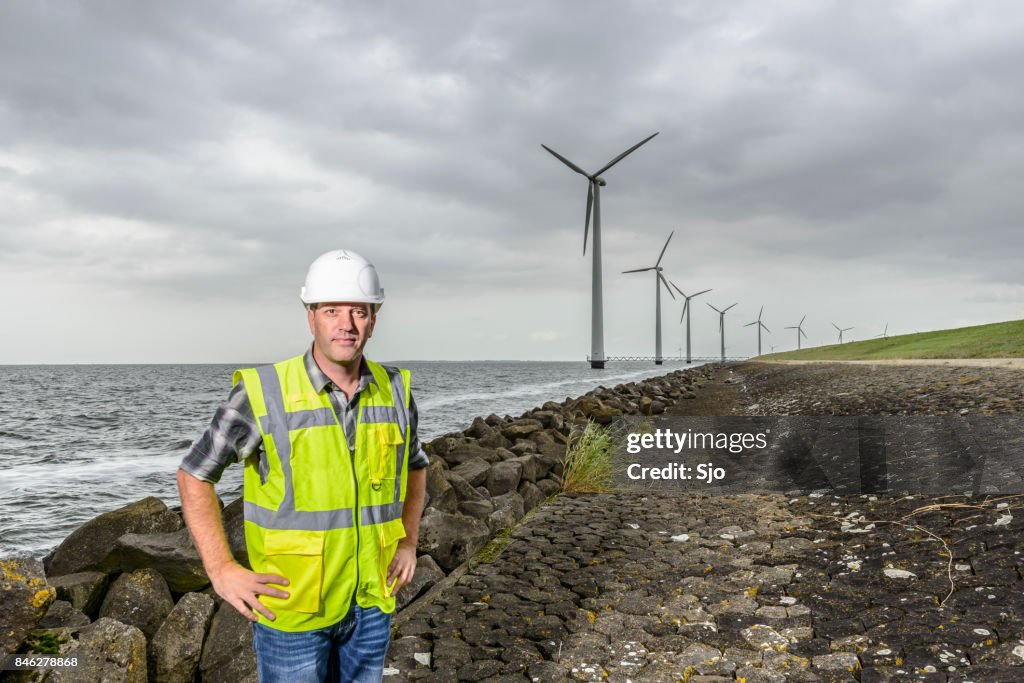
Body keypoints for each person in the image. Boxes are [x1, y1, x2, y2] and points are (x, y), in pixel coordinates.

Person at [177, 249, 428, 683]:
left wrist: (407, 544)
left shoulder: (395, 391)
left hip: (371, 601)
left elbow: (416, 467)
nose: (346, 324)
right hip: (292, 607)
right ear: (310, 316)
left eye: (359, 311)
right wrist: (221, 570)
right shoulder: (263, 392)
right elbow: (195, 474)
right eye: (332, 310)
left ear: (374, 318)